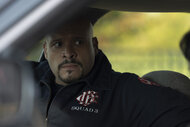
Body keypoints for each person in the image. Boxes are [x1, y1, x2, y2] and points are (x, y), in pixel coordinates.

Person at [32, 8, 190, 127]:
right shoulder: (24, 77)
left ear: (94, 46)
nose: (68, 53)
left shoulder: (123, 91)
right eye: (58, 44)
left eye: (78, 42)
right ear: (46, 51)